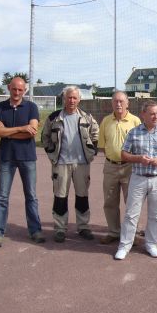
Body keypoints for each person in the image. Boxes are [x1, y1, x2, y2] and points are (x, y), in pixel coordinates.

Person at [114, 101, 157, 260]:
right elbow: (124, 154)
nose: (156, 116)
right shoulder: (134, 133)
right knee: (131, 214)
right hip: (138, 178)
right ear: (143, 115)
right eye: (152, 114)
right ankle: (125, 245)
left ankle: (151, 244)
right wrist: (138, 158)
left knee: (155, 214)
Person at [0, 77, 45, 248]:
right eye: (14, 89)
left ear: (25, 90)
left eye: (21, 90)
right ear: (9, 88)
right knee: (2, 197)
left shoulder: (31, 107)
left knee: (31, 196)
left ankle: (35, 230)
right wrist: (21, 128)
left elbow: (32, 132)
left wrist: (6, 131)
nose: (17, 92)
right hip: (6, 157)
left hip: (27, 157)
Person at [41, 86, 99, 243]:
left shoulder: (87, 117)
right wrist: (52, 154)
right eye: (69, 98)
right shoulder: (54, 118)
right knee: (60, 197)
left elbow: (95, 133)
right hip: (61, 163)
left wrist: (91, 152)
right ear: (63, 99)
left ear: (79, 99)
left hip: (82, 164)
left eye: (74, 98)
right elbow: (45, 137)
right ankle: (60, 229)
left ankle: (83, 227)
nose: (71, 100)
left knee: (82, 196)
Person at [98, 91, 141, 244]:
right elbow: (102, 146)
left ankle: (131, 234)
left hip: (130, 168)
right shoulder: (105, 121)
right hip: (110, 167)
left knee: (132, 202)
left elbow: (140, 145)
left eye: (121, 101)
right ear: (111, 103)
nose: (118, 104)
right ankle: (114, 232)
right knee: (110, 202)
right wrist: (113, 157)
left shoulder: (135, 121)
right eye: (115, 101)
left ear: (127, 103)